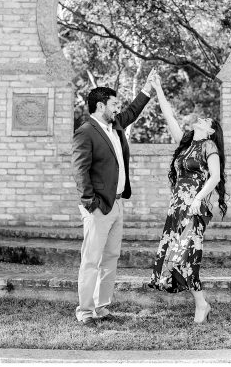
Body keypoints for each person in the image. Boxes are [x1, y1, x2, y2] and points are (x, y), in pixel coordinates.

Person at [70, 72, 156, 327]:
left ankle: (102, 306)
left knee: (111, 258)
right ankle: (85, 311)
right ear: (101, 106)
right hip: (99, 207)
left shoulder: (115, 126)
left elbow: (132, 112)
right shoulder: (86, 132)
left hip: (117, 203)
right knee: (91, 260)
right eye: (114, 105)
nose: (118, 109)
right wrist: (90, 203)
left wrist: (148, 89)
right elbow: (79, 170)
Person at [145, 74, 225, 323]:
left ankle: (201, 304)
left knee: (185, 254)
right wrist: (158, 87)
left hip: (195, 206)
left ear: (210, 130)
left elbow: (215, 177)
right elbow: (169, 115)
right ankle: (201, 303)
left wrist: (198, 199)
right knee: (175, 254)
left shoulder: (209, 147)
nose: (200, 119)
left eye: (205, 120)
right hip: (178, 206)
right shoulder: (186, 143)